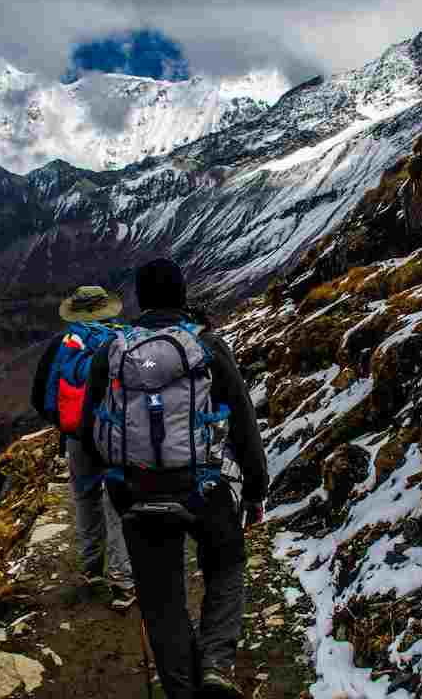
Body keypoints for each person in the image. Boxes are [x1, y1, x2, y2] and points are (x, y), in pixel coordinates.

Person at [82, 258, 269, 699]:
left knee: (162, 602)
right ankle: (217, 667)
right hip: (203, 488)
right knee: (227, 566)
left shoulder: (111, 352)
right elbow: (243, 423)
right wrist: (256, 490)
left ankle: (183, 690)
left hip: (136, 490)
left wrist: (116, 485)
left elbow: (91, 427)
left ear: (140, 301)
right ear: (183, 297)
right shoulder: (208, 347)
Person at [31, 285, 136, 610]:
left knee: (85, 498)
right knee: (117, 504)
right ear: (109, 309)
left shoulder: (62, 345)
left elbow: (40, 397)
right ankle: (123, 582)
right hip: (118, 437)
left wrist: (68, 424)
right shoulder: (127, 340)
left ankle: (92, 569)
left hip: (78, 438)